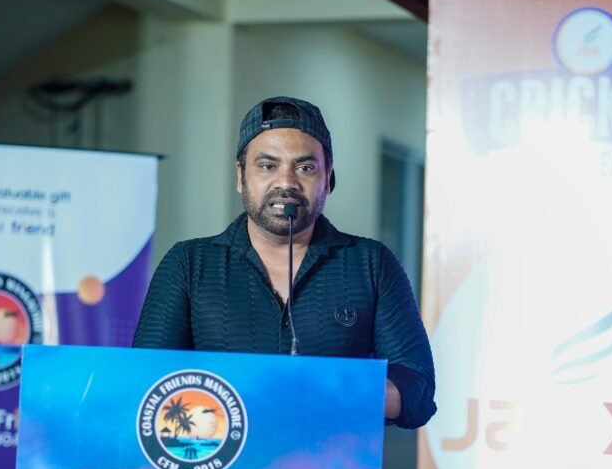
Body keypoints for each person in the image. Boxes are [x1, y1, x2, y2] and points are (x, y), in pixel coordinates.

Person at [132, 96, 436, 429]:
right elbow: (144, 382)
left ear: (328, 179)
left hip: (334, 460)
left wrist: (328, 388)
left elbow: (418, 391)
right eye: (267, 166)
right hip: (215, 458)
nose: (286, 182)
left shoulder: (371, 264)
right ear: (241, 176)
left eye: (305, 168)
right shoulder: (189, 264)